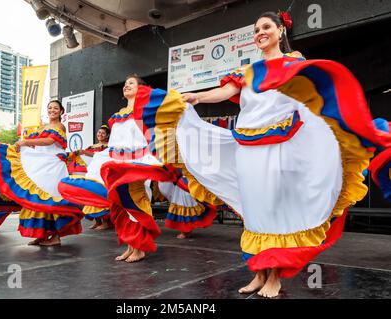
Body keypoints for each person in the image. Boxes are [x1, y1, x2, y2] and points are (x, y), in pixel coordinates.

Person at [139, 10, 391, 298]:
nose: (260, 32)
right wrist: (197, 97)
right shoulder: (249, 72)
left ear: (281, 31)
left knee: (275, 211)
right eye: (256, 29)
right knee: (255, 210)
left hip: (282, 147)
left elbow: (312, 101)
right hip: (248, 149)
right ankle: (259, 273)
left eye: (266, 27)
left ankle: (276, 277)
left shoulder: (295, 62)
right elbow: (223, 93)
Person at [59, 74, 220, 262]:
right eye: (125, 83)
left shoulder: (145, 111)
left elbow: (154, 133)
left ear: (141, 88)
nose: (126, 86)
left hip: (137, 160)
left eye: (131, 83)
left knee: (136, 199)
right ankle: (130, 244)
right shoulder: (118, 114)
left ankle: (140, 247)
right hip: (116, 159)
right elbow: (115, 142)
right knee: (120, 203)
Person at [0, 101, 84, 246]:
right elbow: (37, 142)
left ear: (61, 112)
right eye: (50, 108)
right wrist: (23, 143)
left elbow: (49, 141)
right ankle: (42, 235)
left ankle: (55, 237)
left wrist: (25, 143)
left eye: (56, 108)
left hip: (52, 165)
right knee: (39, 197)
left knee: (49, 196)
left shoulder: (59, 126)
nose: (52, 110)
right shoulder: (44, 127)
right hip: (43, 164)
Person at [68, 125, 112, 230]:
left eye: (103, 133)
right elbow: (91, 156)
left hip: (104, 175)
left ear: (107, 136)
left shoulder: (110, 147)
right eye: (99, 132)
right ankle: (98, 221)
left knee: (102, 195)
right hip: (93, 174)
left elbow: (102, 157)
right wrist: (81, 152)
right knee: (92, 196)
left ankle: (106, 222)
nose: (100, 134)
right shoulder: (93, 147)